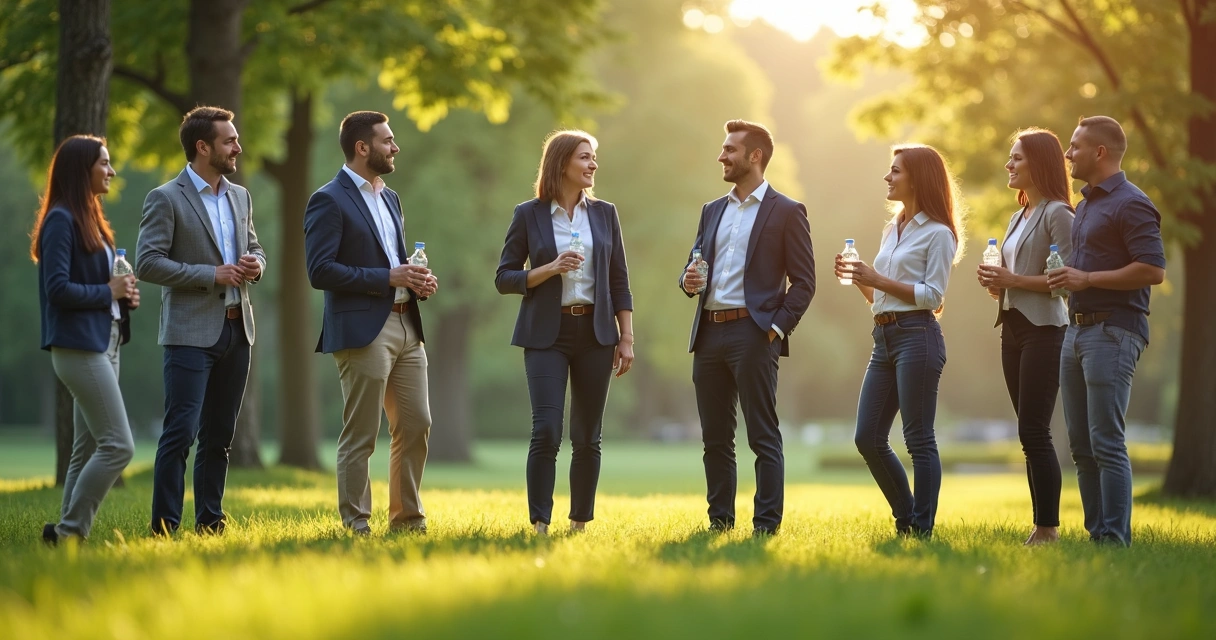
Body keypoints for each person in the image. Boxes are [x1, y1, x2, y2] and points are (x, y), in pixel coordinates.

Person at [679, 120, 815, 537]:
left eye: (729, 150)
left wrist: (774, 329)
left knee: (762, 436)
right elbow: (694, 264)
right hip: (709, 333)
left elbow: (804, 283)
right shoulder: (711, 210)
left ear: (754, 156)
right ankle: (719, 523)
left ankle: (766, 527)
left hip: (754, 335)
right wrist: (687, 279)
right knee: (715, 439)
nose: (721, 156)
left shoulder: (787, 211)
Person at [495, 130, 634, 535]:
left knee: (588, 435)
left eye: (594, 158)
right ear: (561, 164)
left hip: (595, 333)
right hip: (545, 335)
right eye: (585, 158)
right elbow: (504, 277)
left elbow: (620, 279)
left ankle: (579, 524)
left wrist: (626, 337)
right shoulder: (529, 214)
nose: (593, 165)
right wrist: (549, 269)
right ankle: (539, 523)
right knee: (547, 429)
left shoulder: (605, 213)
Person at [304, 111, 437, 536]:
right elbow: (320, 271)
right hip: (364, 330)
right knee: (361, 433)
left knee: (416, 424)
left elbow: (393, 261)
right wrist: (388, 278)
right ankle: (356, 523)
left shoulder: (391, 197)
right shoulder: (328, 199)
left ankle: (407, 520)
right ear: (363, 148)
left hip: (406, 325)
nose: (395, 147)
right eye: (387, 141)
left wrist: (415, 279)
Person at [136, 106, 267, 536]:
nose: (238, 147)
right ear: (202, 147)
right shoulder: (165, 198)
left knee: (220, 438)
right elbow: (148, 264)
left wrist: (255, 265)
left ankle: (210, 522)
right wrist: (211, 275)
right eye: (229, 140)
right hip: (189, 334)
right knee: (180, 435)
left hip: (237, 329)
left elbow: (256, 248)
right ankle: (164, 528)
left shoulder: (240, 196)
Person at [836, 144, 965, 538]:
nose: (887, 178)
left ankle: (920, 528)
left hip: (918, 337)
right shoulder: (892, 228)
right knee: (868, 438)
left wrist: (877, 278)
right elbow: (881, 298)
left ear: (917, 178)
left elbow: (933, 296)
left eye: (895, 171)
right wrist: (862, 279)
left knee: (918, 437)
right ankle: (908, 516)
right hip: (885, 338)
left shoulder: (939, 234)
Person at [1048, 116, 1165, 546]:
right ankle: (1099, 535)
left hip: (1113, 332)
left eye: (1075, 146)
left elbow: (1153, 269)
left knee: (1106, 442)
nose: (1067, 154)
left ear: (1100, 152)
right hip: (1076, 332)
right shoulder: (1087, 205)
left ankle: (1115, 539)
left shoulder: (1131, 203)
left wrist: (1087, 280)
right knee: (1081, 445)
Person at [33, 135, 140, 545]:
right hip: (78, 346)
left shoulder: (89, 216)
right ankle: (70, 532)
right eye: (105, 164)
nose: (111, 171)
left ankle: (63, 533)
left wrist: (123, 296)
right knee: (119, 446)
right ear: (83, 169)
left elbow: (100, 282)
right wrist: (108, 292)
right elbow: (57, 289)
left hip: (105, 340)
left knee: (87, 447)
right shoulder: (61, 219)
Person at [976, 128, 1075, 545]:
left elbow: (1067, 281)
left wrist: (1013, 278)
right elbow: (1018, 277)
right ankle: (1041, 524)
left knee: (1035, 429)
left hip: (1045, 329)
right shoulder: (1018, 215)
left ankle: (1047, 528)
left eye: (1017, 158)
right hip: (1013, 327)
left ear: (1039, 163)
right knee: (1025, 430)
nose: (1009, 165)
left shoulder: (1058, 214)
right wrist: (1000, 285)